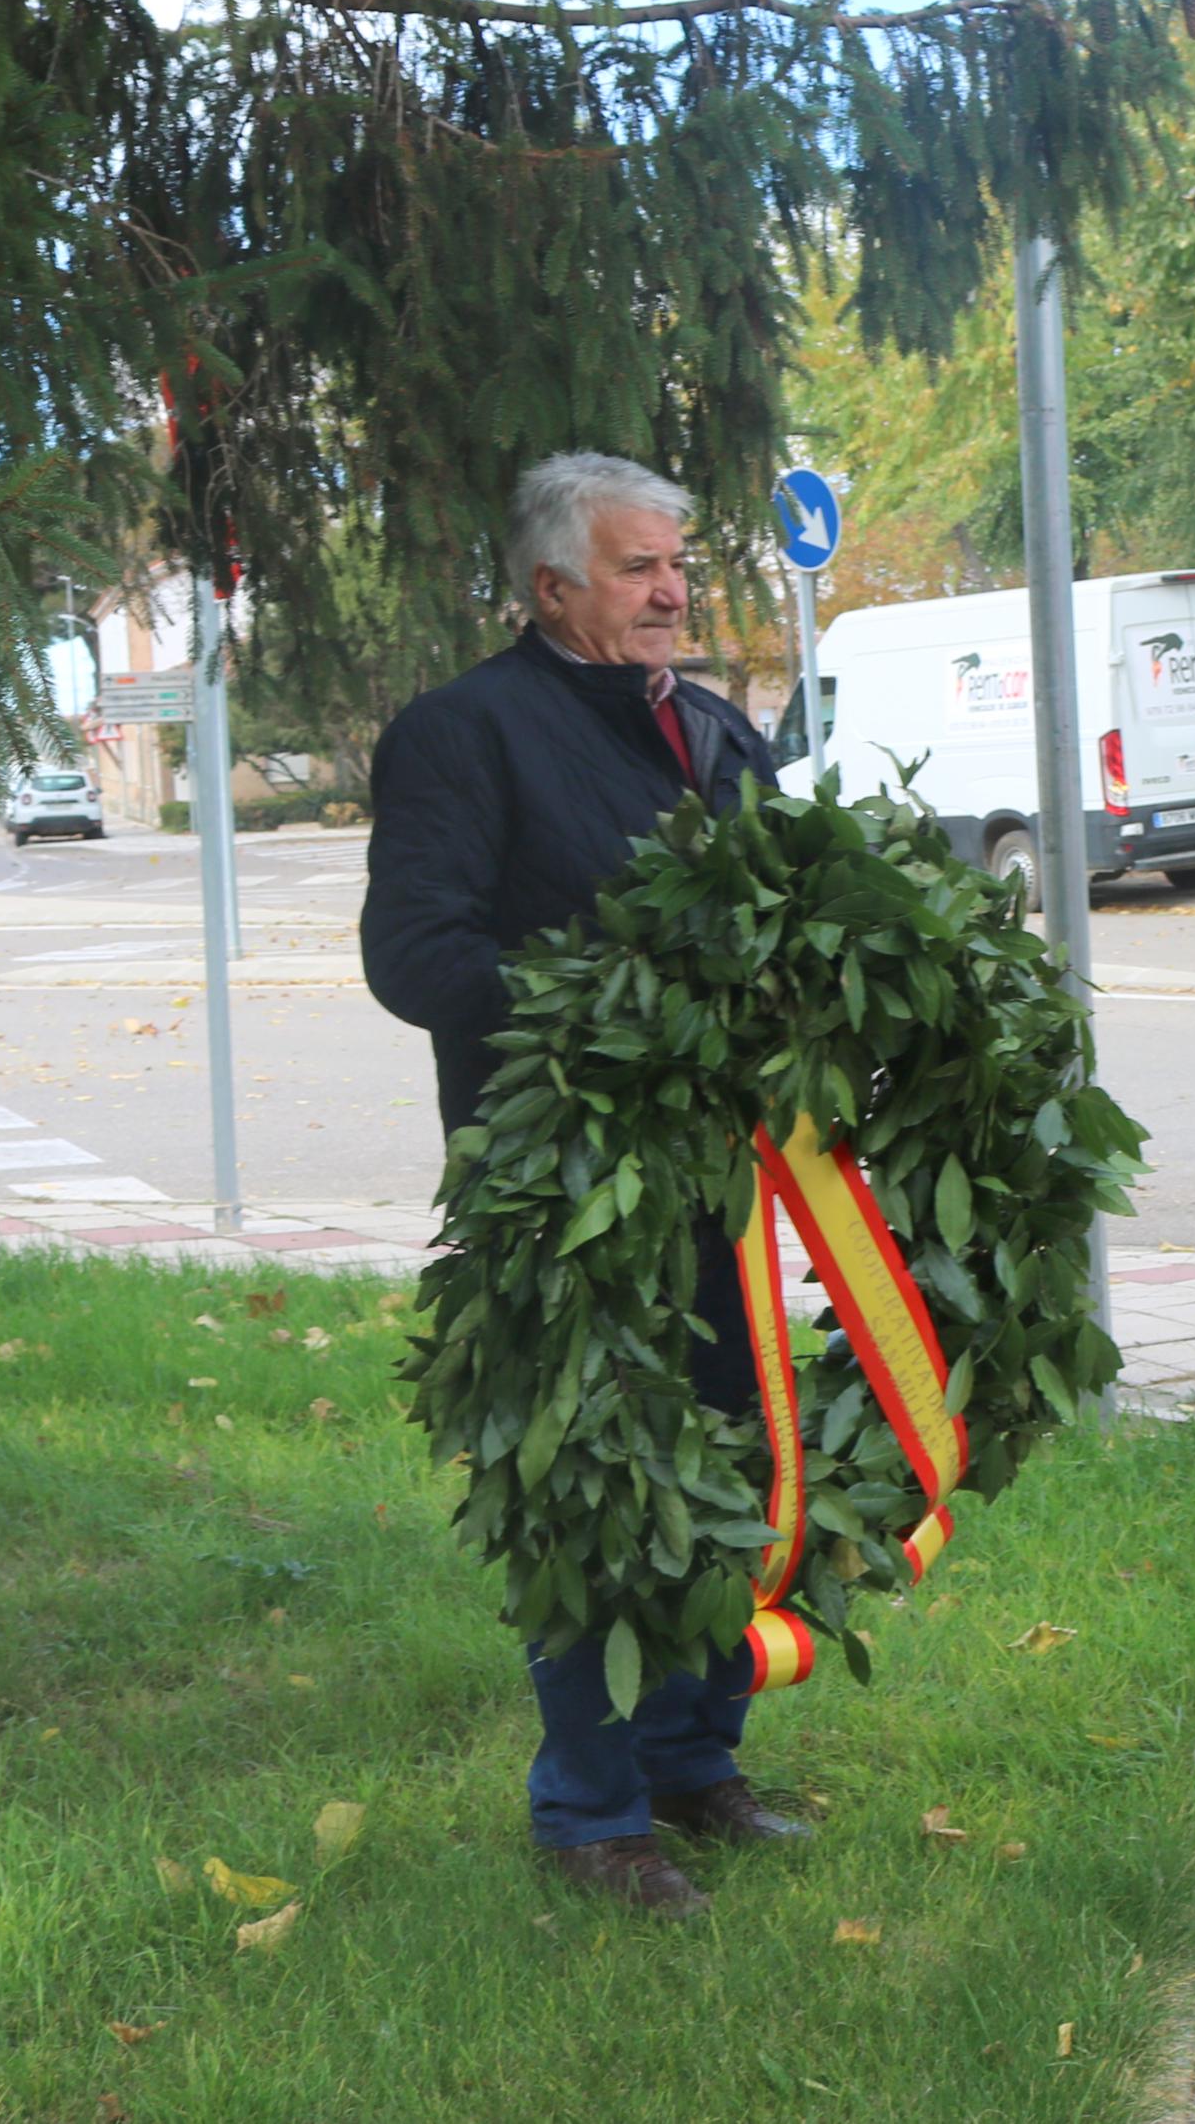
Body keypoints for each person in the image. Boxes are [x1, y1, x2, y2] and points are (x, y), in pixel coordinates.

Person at [362, 452, 800, 1916]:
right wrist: (617, 1007)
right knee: (588, 1494)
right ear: (552, 585)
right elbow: (415, 955)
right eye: (635, 566)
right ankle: (591, 1810)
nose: (671, 587)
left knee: (724, 1459)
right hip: (556, 1188)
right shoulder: (459, 732)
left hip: (716, 1187)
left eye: (676, 562)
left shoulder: (719, 727)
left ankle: (692, 1760)